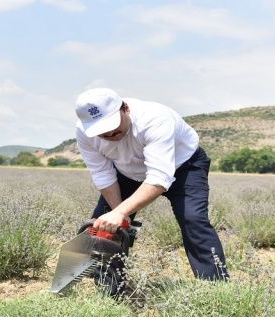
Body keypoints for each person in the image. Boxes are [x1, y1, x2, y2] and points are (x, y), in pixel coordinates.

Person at [75, 87, 229, 281]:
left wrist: (121, 212)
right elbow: (102, 174)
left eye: (113, 125)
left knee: (193, 219)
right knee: (103, 226)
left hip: (183, 167)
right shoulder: (83, 132)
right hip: (127, 171)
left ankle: (215, 287)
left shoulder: (155, 119)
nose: (110, 133)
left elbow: (158, 179)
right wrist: (119, 215)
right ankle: (110, 290)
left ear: (126, 109)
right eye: (101, 131)